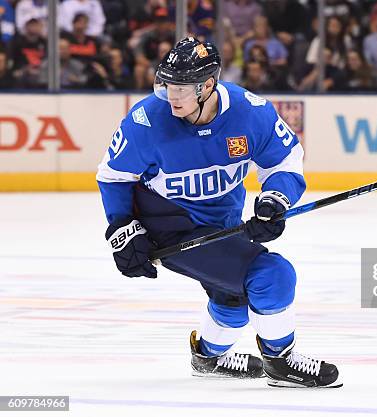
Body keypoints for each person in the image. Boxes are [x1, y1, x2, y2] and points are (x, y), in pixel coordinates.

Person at [96, 37, 342, 388]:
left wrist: (275, 199)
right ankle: (280, 359)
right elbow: (113, 176)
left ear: (208, 85)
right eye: (166, 84)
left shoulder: (249, 112)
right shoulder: (146, 122)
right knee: (271, 275)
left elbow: (284, 161)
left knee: (231, 294)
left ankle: (207, 356)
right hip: (171, 226)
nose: (171, 96)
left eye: (181, 88)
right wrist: (122, 228)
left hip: (222, 220)